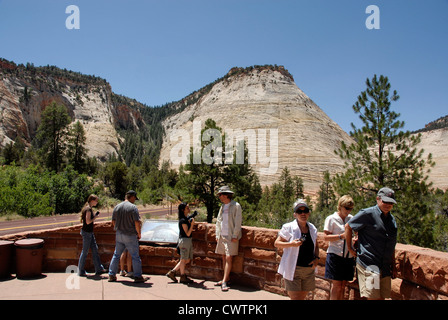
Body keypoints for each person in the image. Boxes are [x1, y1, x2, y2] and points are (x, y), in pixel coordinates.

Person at [345, 187, 398, 300]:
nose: (388, 205)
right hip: (369, 264)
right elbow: (348, 226)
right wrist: (350, 248)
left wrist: (393, 265)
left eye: (391, 203)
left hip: (385, 267)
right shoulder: (367, 214)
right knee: (372, 297)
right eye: (385, 201)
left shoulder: (391, 220)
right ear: (378, 199)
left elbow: (391, 244)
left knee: (384, 297)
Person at [275, 199, 320, 300]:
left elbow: (316, 245)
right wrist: (291, 244)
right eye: (299, 211)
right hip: (293, 269)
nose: (303, 213)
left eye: (305, 211)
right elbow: (277, 243)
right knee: (295, 298)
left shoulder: (312, 228)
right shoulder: (288, 227)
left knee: (302, 297)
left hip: (308, 270)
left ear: (309, 213)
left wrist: (317, 258)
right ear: (295, 214)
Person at [108, 190, 147, 283]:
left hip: (119, 234)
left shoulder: (117, 206)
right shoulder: (133, 208)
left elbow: (113, 221)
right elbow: (137, 222)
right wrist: (139, 233)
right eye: (134, 198)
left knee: (116, 254)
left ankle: (111, 274)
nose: (135, 200)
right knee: (135, 256)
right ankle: (138, 276)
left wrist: (117, 228)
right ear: (132, 197)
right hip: (130, 234)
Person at [323, 195, 356, 300]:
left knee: (343, 286)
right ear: (340, 206)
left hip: (348, 256)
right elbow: (326, 237)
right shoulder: (331, 219)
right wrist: (341, 236)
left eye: (350, 208)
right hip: (335, 255)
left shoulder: (351, 219)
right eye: (346, 208)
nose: (348, 211)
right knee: (336, 286)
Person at [214, 186, 242, 291]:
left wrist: (235, 235)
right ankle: (226, 278)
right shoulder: (222, 206)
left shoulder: (236, 206)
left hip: (231, 237)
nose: (219, 196)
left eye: (220, 194)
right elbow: (218, 221)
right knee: (223, 257)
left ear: (226, 195)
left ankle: (224, 281)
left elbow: (238, 222)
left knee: (229, 258)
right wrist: (217, 235)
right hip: (222, 236)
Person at [166, 202, 196, 284]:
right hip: (185, 241)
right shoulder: (183, 221)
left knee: (187, 260)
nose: (189, 209)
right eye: (187, 208)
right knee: (183, 260)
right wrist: (192, 225)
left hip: (187, 241)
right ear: (183, 210)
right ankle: (182, 276)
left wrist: (193, 216)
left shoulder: (185, 218)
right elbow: (188, 233)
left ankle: (173, 272)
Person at [78, 194, 106, 276]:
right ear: (92, 200)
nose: (97, 202)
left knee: (95, 249)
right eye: (96, 200)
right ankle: (80, 270)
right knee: (85, 251)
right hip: (87, 233)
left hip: (89, 232)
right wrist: (95, 217)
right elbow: (88, 221)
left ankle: (99, 268)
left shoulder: (88, 208)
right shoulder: (88, 209)